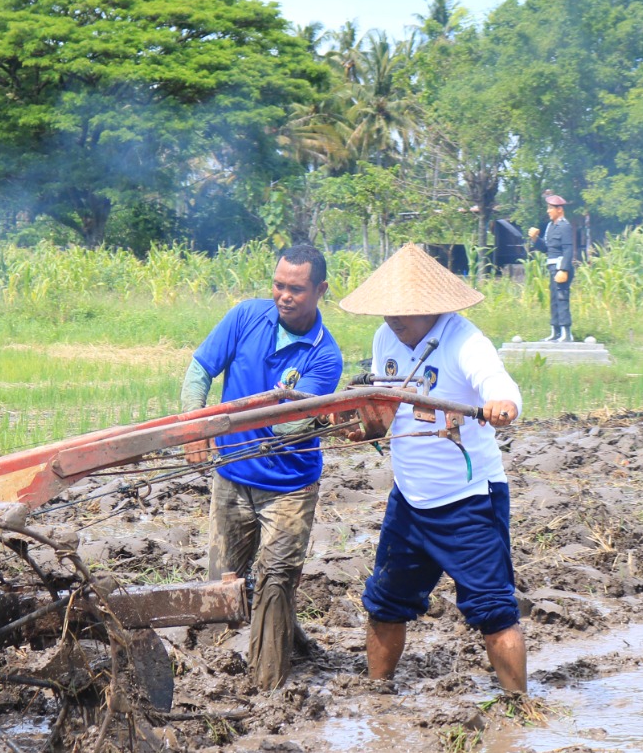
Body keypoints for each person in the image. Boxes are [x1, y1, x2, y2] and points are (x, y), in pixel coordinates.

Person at [337, 244, 526, 694]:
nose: (392, 319)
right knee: (385, 603)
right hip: (409, 499)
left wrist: (502, 404)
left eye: (401, 311)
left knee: (494, 612)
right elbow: (386, 407)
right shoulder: (385, 339)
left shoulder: (466, 342)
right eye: (386, 311)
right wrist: (364, 427)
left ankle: (521, 708)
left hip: (467, 501)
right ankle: (378, 699)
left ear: (432, 306)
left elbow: (498, 384)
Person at [180, 244, 344, 690]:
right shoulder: (245, 317)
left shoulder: (325, 355)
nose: (284, 296)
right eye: (278, 285)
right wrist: (194, 423)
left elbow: (288, 427)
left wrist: (320, 417)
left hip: (288, 487)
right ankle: (209, 679)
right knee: (222, 584)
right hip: (232, 476)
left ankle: (269, 690)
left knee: (275, 582)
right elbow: (199, 369)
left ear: (320, 291)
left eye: (296, 289)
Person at [527, 193, 576, 342]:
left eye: (551, 208)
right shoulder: (551, 226)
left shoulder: (564, 226)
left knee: (562, 298)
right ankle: (555, 331)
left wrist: (564, 270)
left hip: (561, 267)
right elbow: (546, 249)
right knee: (554, 299)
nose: (548, 211)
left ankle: (566, 333)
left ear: (559, 209)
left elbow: (568, 249)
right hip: (552, 267)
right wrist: (535, 238)